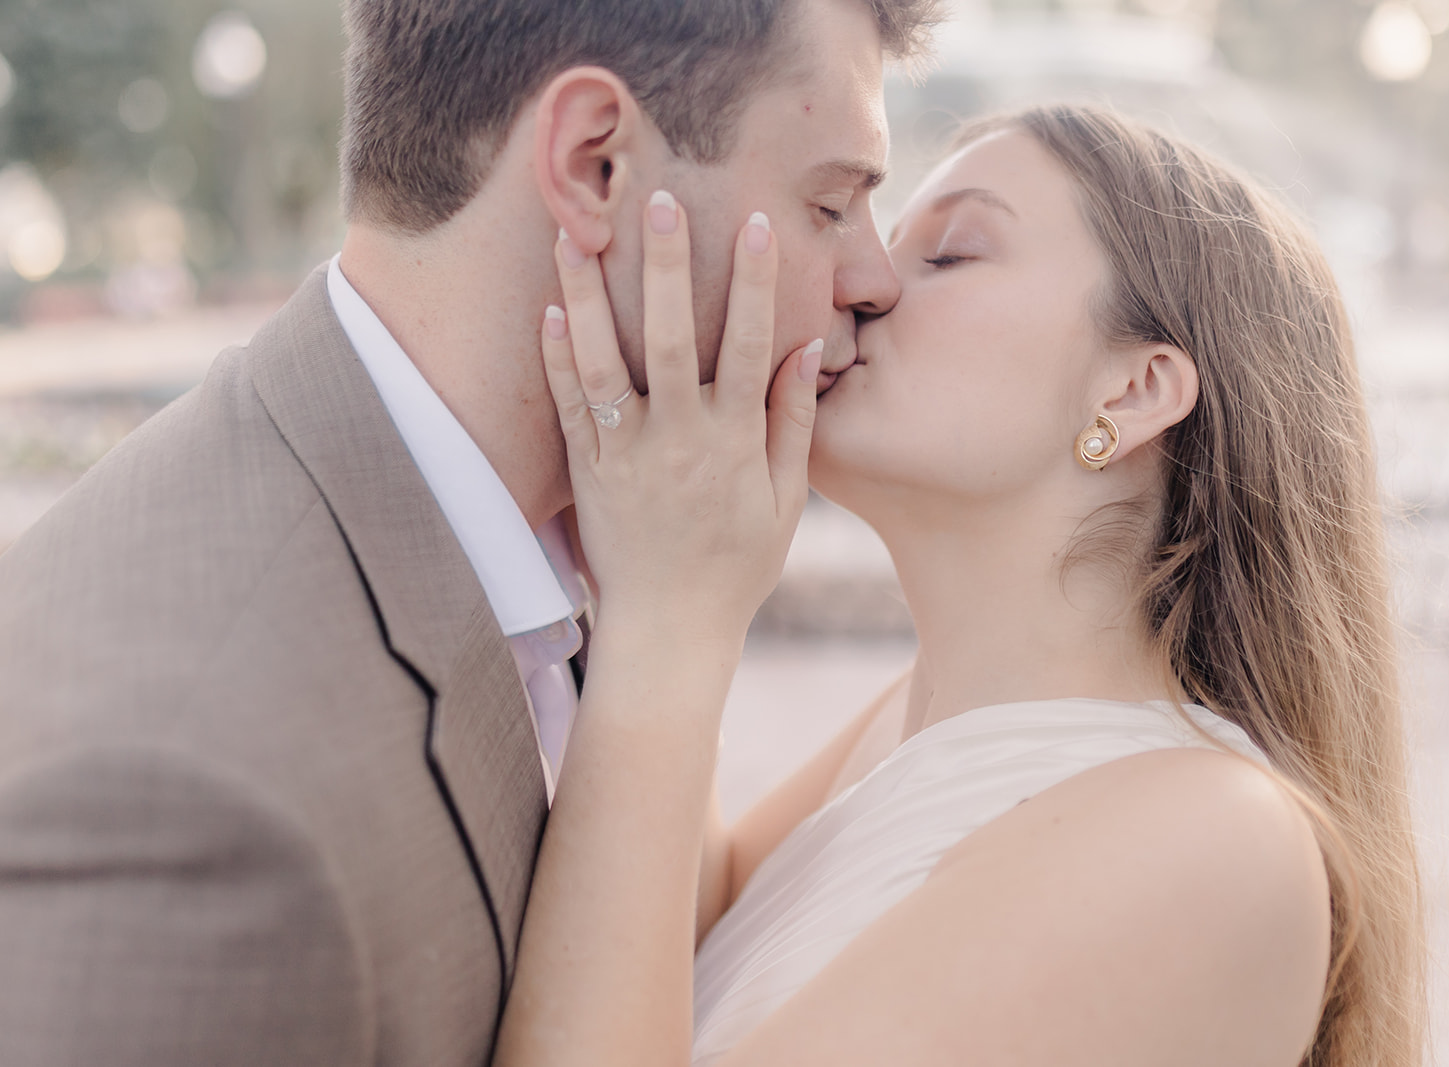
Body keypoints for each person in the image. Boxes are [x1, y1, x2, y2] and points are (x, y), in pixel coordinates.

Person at [0, 0, 939, 1062]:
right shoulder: (188, 814)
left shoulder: (560, 532)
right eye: (830, 204)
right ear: (594, 165)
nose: (875, 277)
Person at [489, 106, 1428, 1067]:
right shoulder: (909, 723)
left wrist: (670, 624)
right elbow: (690, 930)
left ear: (1135, 391)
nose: (864, 284)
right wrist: (648, 565)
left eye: (948, 254)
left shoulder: (1217, 840)